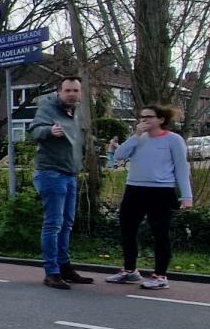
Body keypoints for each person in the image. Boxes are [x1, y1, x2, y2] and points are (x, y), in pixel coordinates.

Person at [105, 105, 194, 290]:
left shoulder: (173, 140)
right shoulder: (138, 139)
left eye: (149, 117)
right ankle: (130, 271)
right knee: (127, 230)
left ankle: (160, 276)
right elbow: (119, 155)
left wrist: (187, 196)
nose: (144, 120)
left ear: (160, 120)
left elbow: (182, 168)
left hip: (161, 191)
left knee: (160, 233)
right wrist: (135, 136)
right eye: (142, 117)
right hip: (134, 189)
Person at [28, 76, 91, 290]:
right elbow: (34, 131)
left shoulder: (76, 112)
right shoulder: (48, 108)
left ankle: (65, 267)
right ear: (60, 92)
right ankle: (52, 272)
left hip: (70, 174)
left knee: (67, 224)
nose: (72, 94)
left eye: (76, 90)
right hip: (51, 173)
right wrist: (49, 131)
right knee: (53, 224)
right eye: (68, 90)